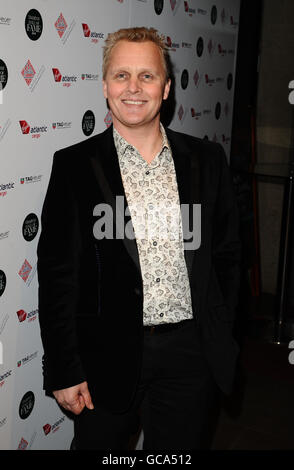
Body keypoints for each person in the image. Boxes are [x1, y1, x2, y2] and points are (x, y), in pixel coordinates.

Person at [37, 27, 240, 450]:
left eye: (147, 76)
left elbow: (226, 256)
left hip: (190, 355)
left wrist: (218, 336)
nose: (133, 88)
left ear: (166, 88)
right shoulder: (74, 166)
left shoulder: (206, 160)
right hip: (104, 353)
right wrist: (64, 368)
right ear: (105, 84)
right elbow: (58, 277)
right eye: (121, 75)